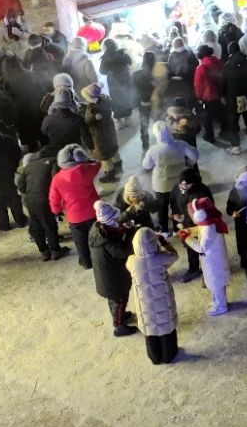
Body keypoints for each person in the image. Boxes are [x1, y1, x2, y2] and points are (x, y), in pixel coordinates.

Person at [128, 227, 179, 364]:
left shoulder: (131, 261)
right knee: (167, 329)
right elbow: (175, 255)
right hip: (163, 303)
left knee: (149, 330)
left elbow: (129, 266)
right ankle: (169, 355)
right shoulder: (161, 258)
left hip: (145, 306)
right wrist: (164, 243)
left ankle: (154, 357)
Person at [49, 144, 101, 269]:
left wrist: (56, 211)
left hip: (75, 217)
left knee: (81, 241)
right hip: (93, 211)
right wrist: (85, 160)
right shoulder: (87, 170)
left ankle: (86, 262)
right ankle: (99, 258)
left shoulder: (57, 179)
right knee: (97, 236)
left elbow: (54, 198)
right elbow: (98, 164)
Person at [89, 201, 137, 336]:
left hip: (106, 277)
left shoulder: (97, 229)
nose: (118, 221)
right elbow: (123, 251)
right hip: (113, 280)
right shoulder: (108, 241)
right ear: (110, 221)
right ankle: (119, 326)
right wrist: (130, 231)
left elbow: (115, 229)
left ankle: (119, 315)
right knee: (120, 300)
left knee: (114, 302)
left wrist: (126, 216)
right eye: (115, 219)